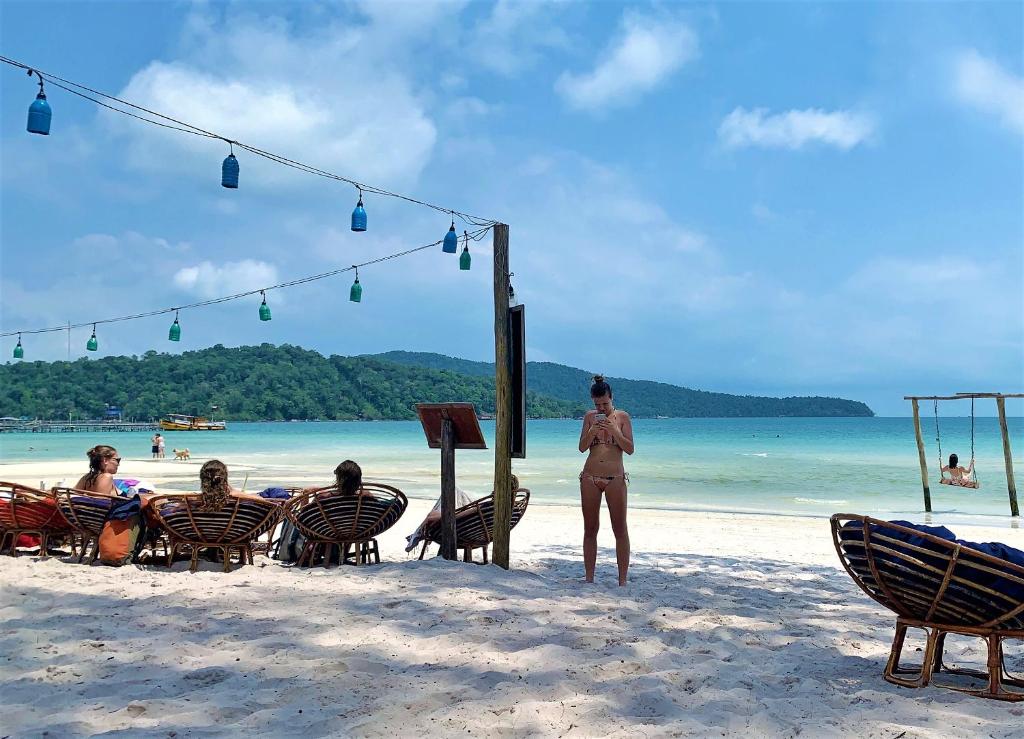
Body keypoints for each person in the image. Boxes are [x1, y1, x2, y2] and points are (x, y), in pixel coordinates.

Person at [578, 374, 634, 586]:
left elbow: (629, 449)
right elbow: (582, 448)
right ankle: (589, 578)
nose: (601, 408)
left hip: (615, 477)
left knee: (619, 528)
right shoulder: (590, 417)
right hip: (590, 477)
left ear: (612, 398)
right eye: (597, 404)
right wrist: (592, 431)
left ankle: (622, 581)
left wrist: (614, 431)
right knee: (590, 528)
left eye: (605, 403)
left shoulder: (622, 417)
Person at [404, 474, 520, 553]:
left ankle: (418, 534)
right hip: (482, 533)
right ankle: (418, 534)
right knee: (455, 492)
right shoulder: (513, 509)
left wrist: (451, 513)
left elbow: (459, 516)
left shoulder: (487, 506)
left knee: (432, 515)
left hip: (463, 531)